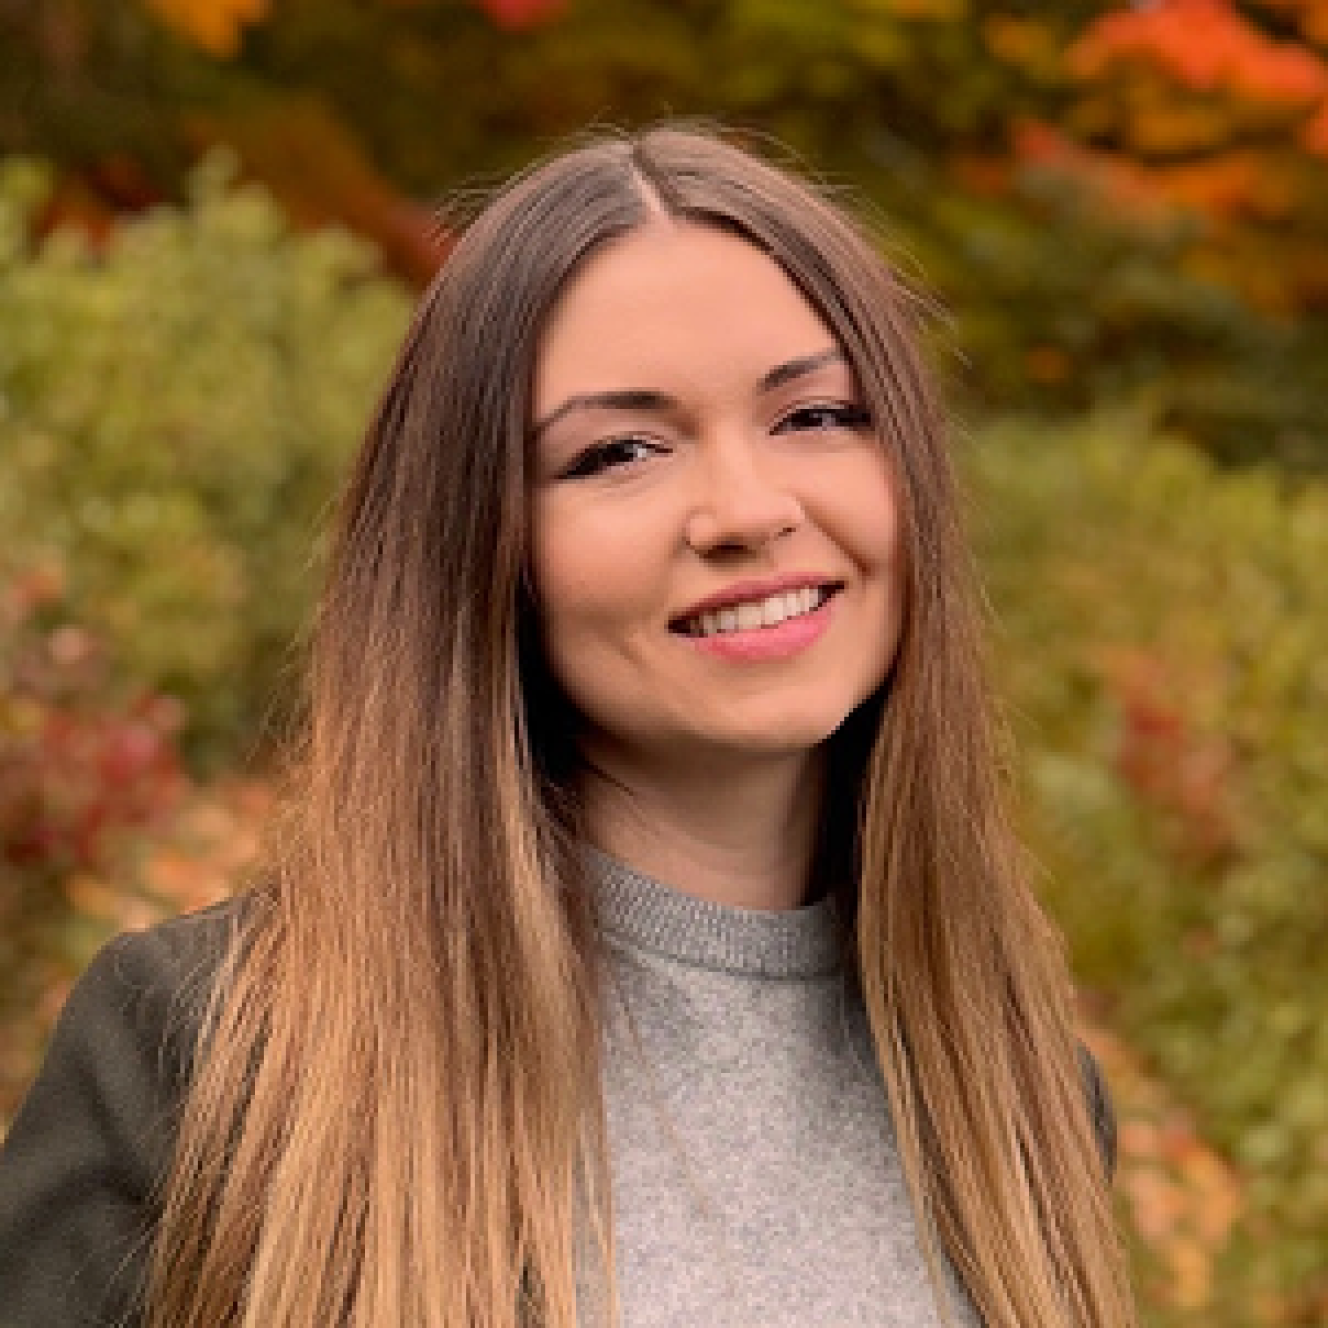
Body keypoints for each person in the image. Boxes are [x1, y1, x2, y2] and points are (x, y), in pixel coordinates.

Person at [0, 124, 1135, 1327]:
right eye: (619, 451)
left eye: (812, 415)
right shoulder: (211, 1056)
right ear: (480, 545)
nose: (746, 510)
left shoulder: (1021, 1100)